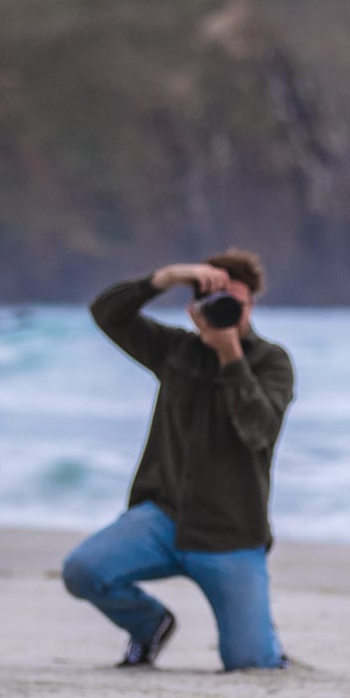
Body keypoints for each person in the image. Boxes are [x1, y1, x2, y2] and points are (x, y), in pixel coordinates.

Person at [63, 249, 293, 669]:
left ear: (252, 306)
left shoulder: (271, 361)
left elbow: (258, 430)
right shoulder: (174, 350)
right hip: (164, 518)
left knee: (252, 663)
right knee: (82, 570)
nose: (228, 313)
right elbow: (106, 313)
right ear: (194, 309)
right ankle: (149, 625)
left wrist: (230, 357)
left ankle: (264, 638)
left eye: (235, 304)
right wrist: (166, 277)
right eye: (216, 303)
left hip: (232, 536)